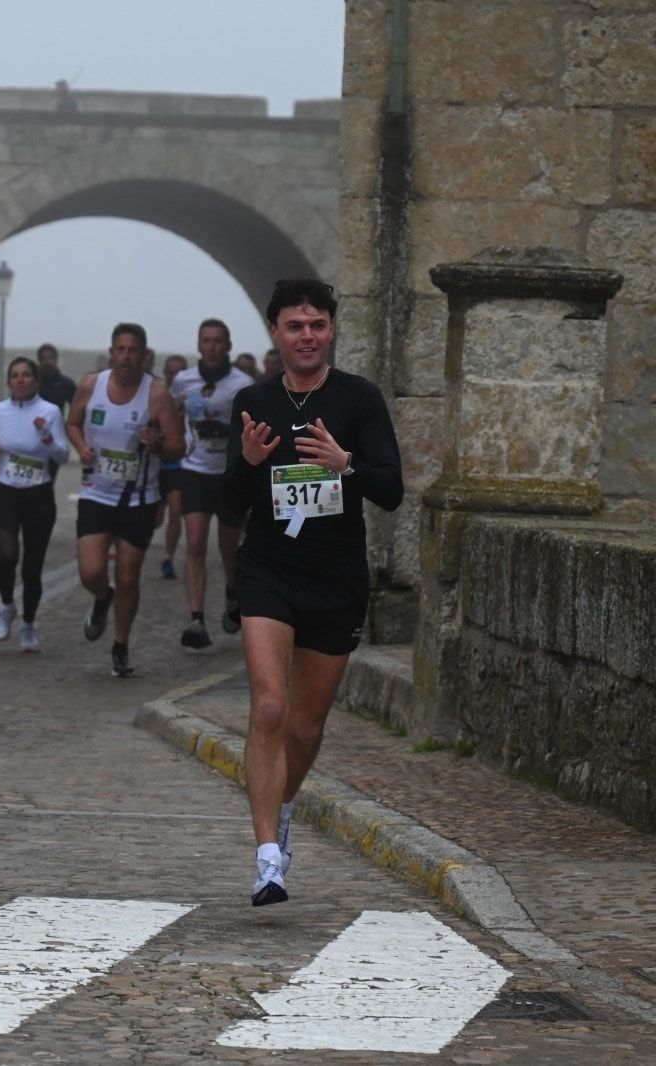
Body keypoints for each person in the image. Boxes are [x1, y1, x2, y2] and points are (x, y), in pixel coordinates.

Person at [225, 279, 402, 906]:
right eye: (295, 326)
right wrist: (247, 463)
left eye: (318, 325)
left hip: (335, 577)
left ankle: (285, 801)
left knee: (304, 726)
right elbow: (229, 504)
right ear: (275, 332)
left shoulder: (359, 399)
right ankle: (268, 856)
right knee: (269, 708)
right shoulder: (252, 400)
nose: (307, 336)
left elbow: (391, 489)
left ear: (331, 330)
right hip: (269, 571)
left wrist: (345, 464)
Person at [66, 323, 184, 678]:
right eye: (120, 349)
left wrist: (158, 444)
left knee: (129, 578)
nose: (126, 356)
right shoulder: (92, 384)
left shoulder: (157, 394)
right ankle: (103, 597)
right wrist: (82, 447)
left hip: (139, 499)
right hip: (97, 493)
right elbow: (72, 423)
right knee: (91, 572)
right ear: (112, 352)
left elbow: (179, 447)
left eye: (133, 350)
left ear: (144, 355)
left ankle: (120, 645)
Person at [170, 319, 255, 649]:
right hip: (194, 471)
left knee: (228, 546)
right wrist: (173, 439)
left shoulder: (242, 383)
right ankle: (196, 619)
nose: (212, 346)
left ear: (228, 346)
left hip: (229, 473)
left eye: (218, 341)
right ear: (199, 345)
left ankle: (233, 590)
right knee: (194, 544)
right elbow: (169, 411)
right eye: (206, 340)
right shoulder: (183, 381)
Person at [0, 357, 69, 651]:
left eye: (26, 375)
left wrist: (45, 436)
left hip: (38, 495)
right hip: (5, 493)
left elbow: (62, 455)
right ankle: (7, 606)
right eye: (15, 375)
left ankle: (28, 625)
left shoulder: (50, 412)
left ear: (36, 380)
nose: (20, 380)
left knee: (32, 567)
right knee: (7, 556)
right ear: (9, 382)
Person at [157, 353, 190, 580]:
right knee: (156, 517)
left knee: (176, 511)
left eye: (179, 372)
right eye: (170, 372)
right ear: (165, 373)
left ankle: (168, 557)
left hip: (179, 464)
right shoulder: (157, 396)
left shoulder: (191, 398)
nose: (174, 376)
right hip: (156, 463)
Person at [35, 343, 77, 414]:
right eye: (44, 358)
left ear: (56, 359)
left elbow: (76, 410)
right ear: (39, 360)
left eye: (51, 358)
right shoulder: (32, 383)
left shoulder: (67, 384)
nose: (47, 362)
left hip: (57, 424)